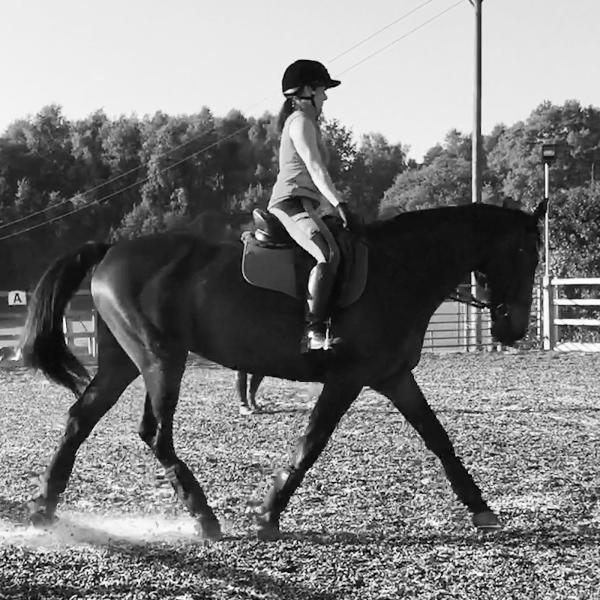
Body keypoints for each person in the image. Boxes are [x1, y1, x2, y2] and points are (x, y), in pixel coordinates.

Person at [268, 59, 352, 353]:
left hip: (305, 203)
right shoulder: (301, 122)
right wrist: (339, 202)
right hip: (289, 202)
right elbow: (315, 168)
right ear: (306, 91)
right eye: (322, 90)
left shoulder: (307, 122)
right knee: (327, 254)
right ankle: (314, 330)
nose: (325, 96)